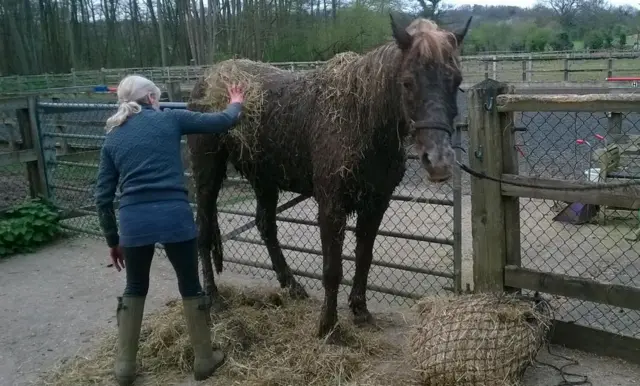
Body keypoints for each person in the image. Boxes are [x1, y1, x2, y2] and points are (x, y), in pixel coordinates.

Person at [94, 74, 244, 386]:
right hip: (174, 217)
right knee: (190, 284)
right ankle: (204, 360)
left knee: (135, 287)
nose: (159, 103)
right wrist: (236, 103)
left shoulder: (113, 137)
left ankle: (124, 368)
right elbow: (220, 121)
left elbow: (103, 198)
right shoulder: (171, 119)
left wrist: (113, 239)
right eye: (157, 98)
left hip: (134, 223)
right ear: (150, 98)